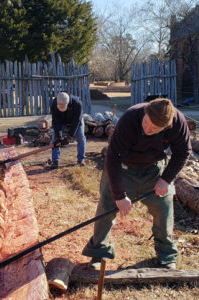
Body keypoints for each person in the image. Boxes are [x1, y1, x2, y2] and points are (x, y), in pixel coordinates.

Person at [82, 98, 192, 270]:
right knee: (106, 206)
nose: (147, 129)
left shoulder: (177, 122)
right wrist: (119, 195)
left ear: (166, 127)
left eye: (154, 128)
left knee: (164, 208)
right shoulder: (130, 118)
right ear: (145, 113)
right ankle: (98, 254)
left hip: (154, 170)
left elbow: (183, 152)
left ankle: (166, 255)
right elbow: (112, 158)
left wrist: (166, 179)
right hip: (124, 168)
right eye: (146, 122)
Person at [50, 92, 86, 169]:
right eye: (60, 106)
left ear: (67, 103)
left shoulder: (77, 104)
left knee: (81, 137)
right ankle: (55, 161)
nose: (61, 108)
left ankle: (81, 159)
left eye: (63, 106)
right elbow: (56, 121)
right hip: (62, 121)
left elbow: (76, 121)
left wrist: (69, 137)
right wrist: (59, 137)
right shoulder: (54, 104)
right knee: (54, 138)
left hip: (75, 120)